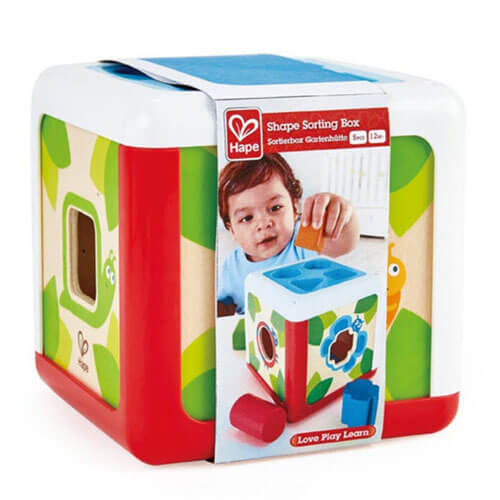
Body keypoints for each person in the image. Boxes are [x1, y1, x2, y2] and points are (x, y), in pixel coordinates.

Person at [217, 153, 359, 316]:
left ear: (295, 208)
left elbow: (344, 243)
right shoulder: (231, 266)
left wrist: (342, 216)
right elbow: (225, 305)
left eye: (275, 208)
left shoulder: (303, 240)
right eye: (247, 218)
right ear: (232, 230)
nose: (264, 223)